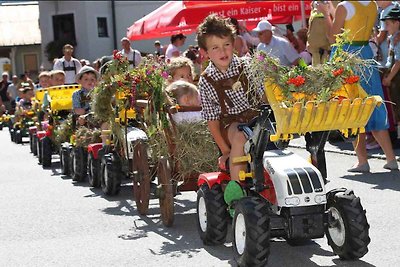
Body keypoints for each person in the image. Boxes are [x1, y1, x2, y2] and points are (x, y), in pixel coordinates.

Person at [318, 0, 398, 171]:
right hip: (365, 54)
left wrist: (326, 14)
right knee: (373, 103)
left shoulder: (344, 6)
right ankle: (391, 158)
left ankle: (362, 161)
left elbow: (333, 38)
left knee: (352, 108)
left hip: (348, 56)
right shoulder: (371, 5)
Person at [197, 14, 263, 197]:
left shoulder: (247, 65)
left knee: (274, 135)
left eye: (226, 45)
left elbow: (263, 93)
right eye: (215, 48)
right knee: (240, 136)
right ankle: (237, 189)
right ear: (205, 52)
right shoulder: (207, 80)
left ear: (234, 44)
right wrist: (224, 151)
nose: (222, 51)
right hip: (230, 124)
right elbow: (212, 120)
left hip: (256, 116)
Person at [381, 7, 400, 139]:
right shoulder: (392, 38)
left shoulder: (398, 39)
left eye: (388, 24)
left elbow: (398, 62)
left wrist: (389, 78)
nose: (386, 27)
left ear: (396, 23)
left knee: (398, 105)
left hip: (397, 77)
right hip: (393, 75)